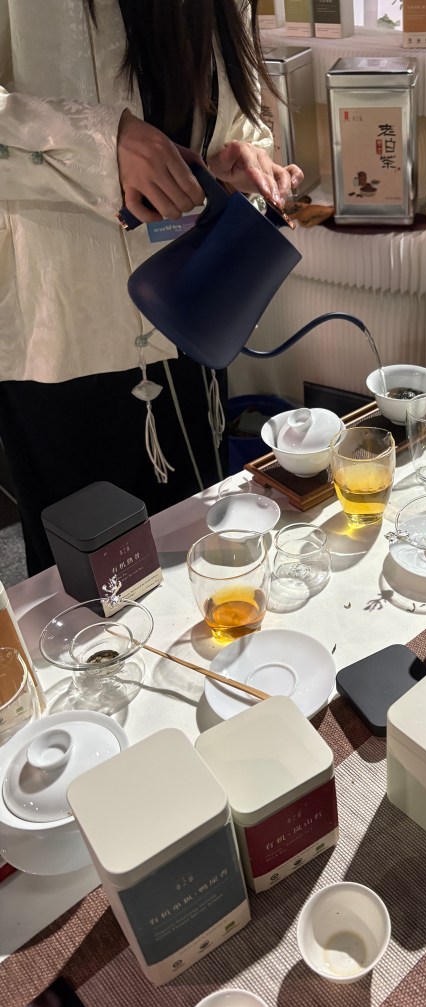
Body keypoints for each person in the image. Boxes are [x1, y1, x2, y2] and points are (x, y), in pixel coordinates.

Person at [0, 0, 303, 576]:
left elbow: (228, 104)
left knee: (210, 552)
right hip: (63, 327)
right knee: (95, 585)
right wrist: (98, 141)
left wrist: (238, 154)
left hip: (191, 301)